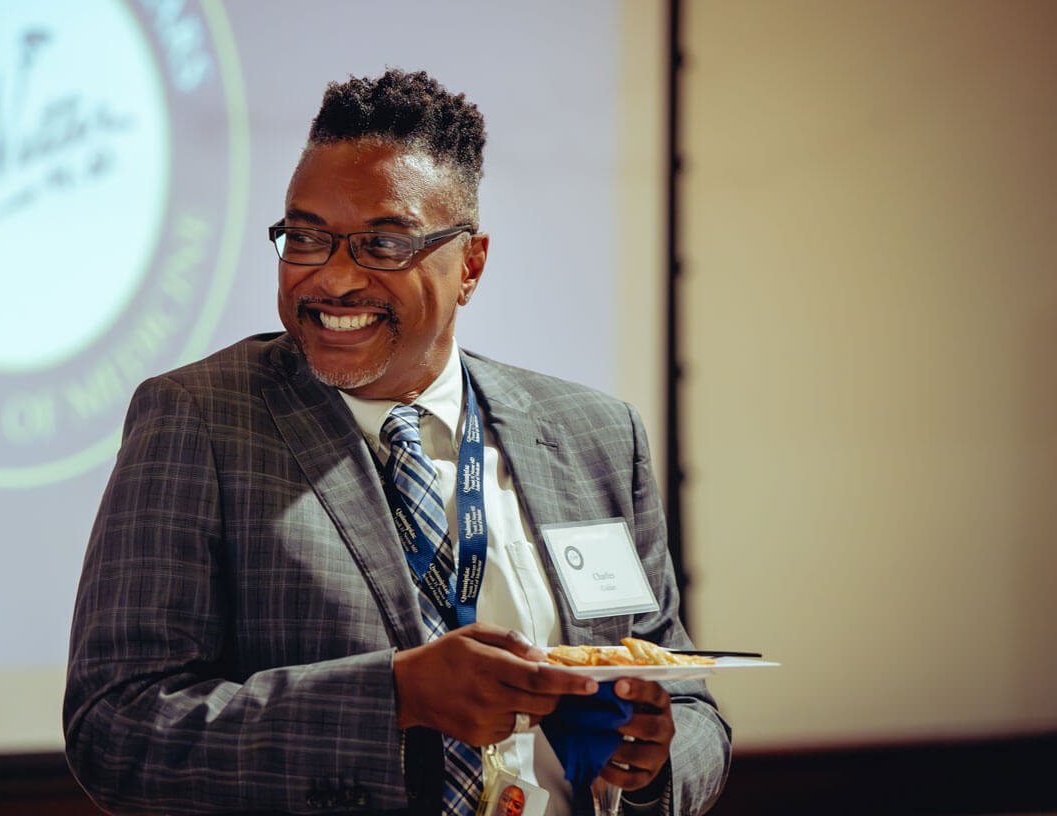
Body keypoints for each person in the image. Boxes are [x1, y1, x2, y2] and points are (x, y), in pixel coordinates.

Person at [64, 68, 730, 815]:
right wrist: (395, 697)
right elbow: (116, 731)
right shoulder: (201, 420)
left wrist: (657, 758)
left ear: (470, 264)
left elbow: (693, 705)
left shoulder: (596, 436)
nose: (335, 278)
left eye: (383, 243)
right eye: (307, 236)